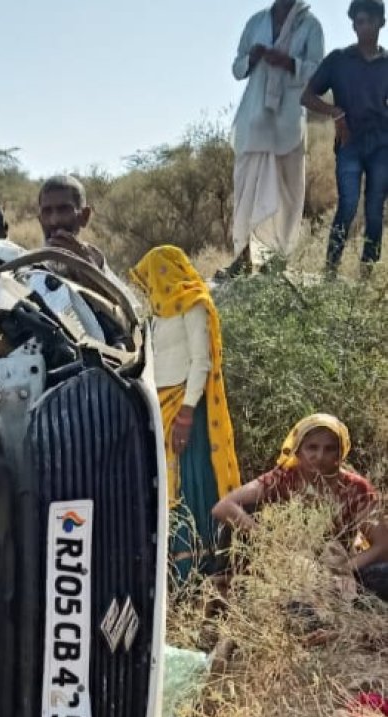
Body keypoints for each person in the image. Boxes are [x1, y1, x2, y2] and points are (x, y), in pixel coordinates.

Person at [130, 246, 241, 581]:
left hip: (186, 412)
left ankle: (199, 567)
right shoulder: (159, 314)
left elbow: (201, 363)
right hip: (160, 407)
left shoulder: (195, 304)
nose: (148, 286)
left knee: (190, 485)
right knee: (167, 486)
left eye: (151, 277)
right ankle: (173, 570)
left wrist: (186, 415)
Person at [212, 414, 388, 600]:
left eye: (329, 449)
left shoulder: (356, 488)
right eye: (312, 447)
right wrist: (270, 542)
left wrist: (342, 569)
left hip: (339, 568)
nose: (320, 456)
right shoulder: (284, 478)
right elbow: (223, 507)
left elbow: (383, 544)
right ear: (298, 451)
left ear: (340, 453)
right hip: (290, 565)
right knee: (246, 510)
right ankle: (227, 587)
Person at [225, 1, 325, 276]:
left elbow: (319, 71)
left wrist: (290, 63)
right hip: (254, 116)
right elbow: (237, 68)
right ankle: (243, 254)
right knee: (246, 187)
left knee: (288, 192)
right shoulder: (257, 22)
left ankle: (277, 258)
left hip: (288, 120)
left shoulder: (310, 25)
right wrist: (252, 58)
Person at [302, 0, 388, 275]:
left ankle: (366, 276)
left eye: (369, 21)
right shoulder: (338, 60)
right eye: (359, 21)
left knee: (375, 210)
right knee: (348, 206)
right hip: (349, 143)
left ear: (381, 23)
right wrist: (335, 112)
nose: (363, 26)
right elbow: (307, 96)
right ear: (353, 25)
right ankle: (330, 272)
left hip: (382, 145)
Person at [37, 174, 107, 269]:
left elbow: (105, 283)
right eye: (47, 211)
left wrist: (85, 266)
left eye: (64, 210)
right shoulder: (27, 268)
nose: (54, 221)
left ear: (84, 216)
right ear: (40, 219)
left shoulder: (97, 262)